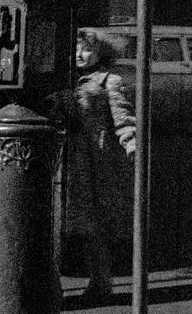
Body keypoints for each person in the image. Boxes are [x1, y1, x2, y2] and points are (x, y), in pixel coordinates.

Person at [52, 28, 137, 303]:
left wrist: (130, 141)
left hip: (96, 161)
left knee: (95, 224)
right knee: (68, 223)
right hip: (68, 159)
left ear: (100, 53)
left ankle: (101, 281)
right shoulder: (68, 79)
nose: (79, 54)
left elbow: (122, 115)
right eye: (76, 48)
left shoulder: (110, 81)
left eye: (86, 49)